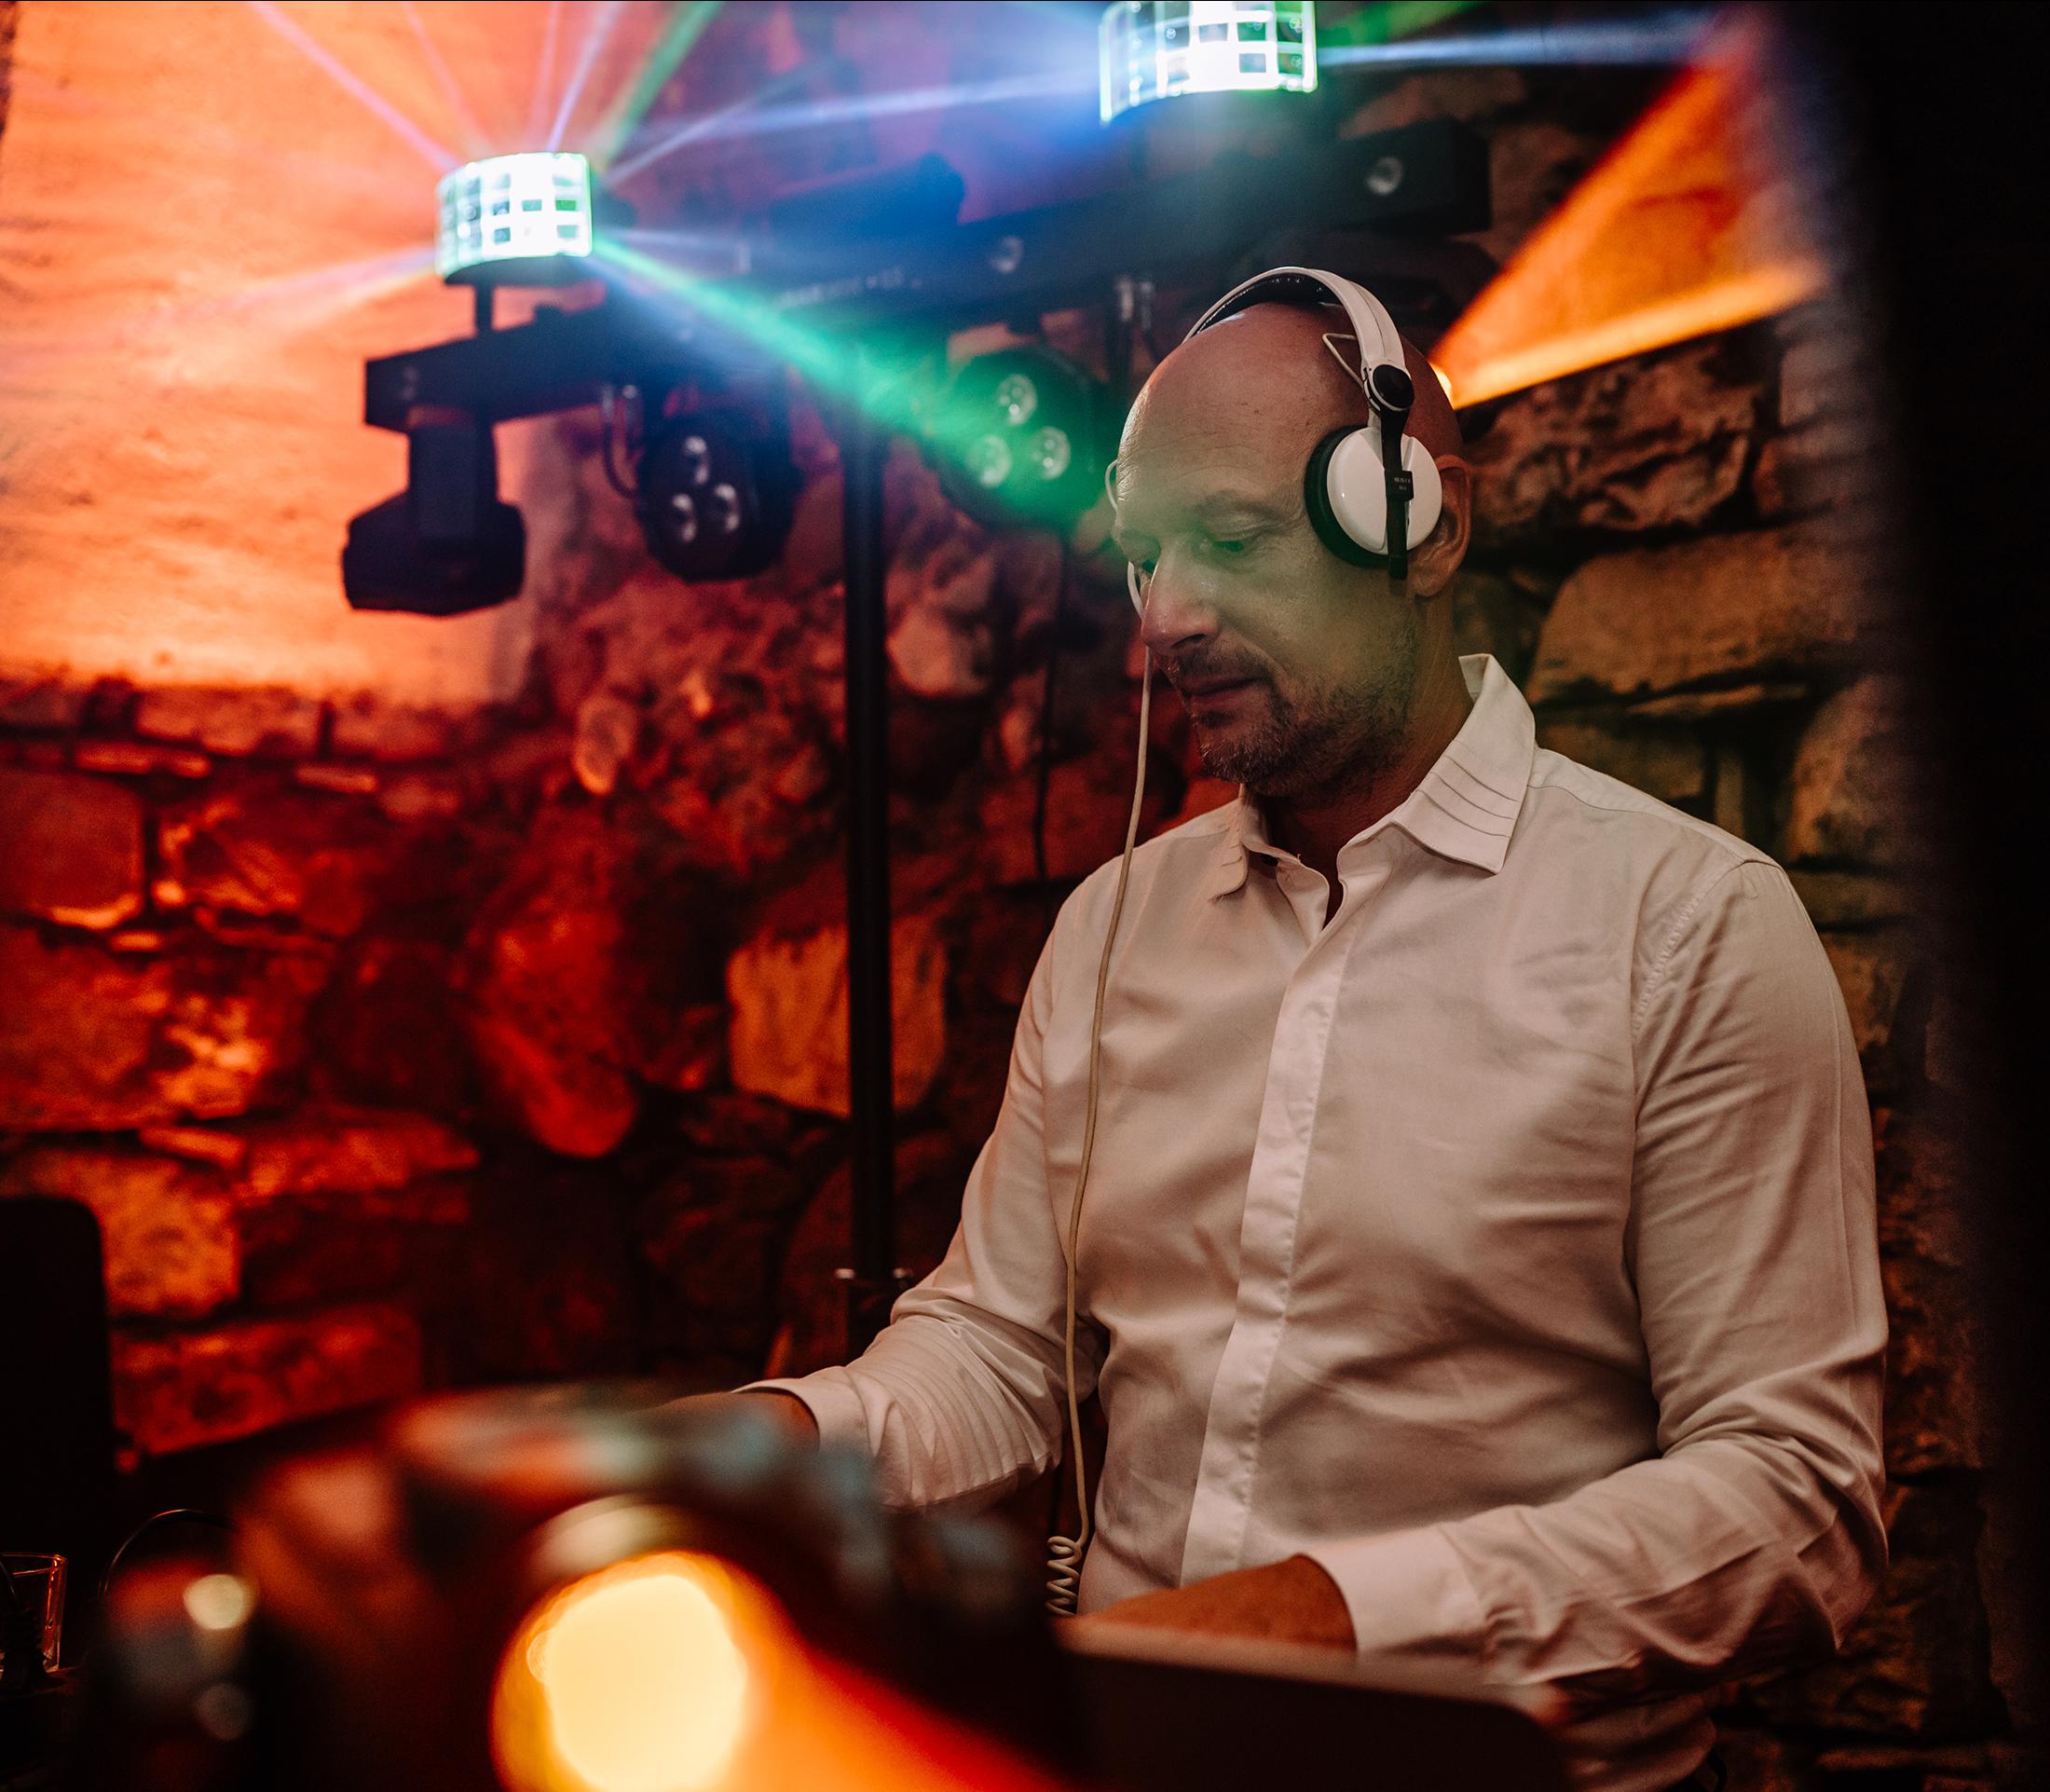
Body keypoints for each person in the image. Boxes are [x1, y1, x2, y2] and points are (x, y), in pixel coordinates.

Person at [708, 273, 1887, 1792]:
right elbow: (998, 1351)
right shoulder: (1112, 925)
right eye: (1146, 554)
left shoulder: (1688, 925)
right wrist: (761, 1449)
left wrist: (1331, 1616)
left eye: (1232, 541)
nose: (1166, 615)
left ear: (1423, 525)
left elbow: (1793, 1504)